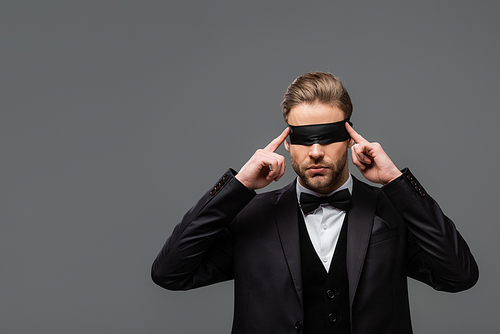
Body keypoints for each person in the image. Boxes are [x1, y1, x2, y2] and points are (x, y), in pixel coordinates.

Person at [151, 72, 478, 334]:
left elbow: (460, 275)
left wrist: (396, 182)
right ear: (288, 145)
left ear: (351, 139)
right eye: (304, 138)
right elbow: (170, 273)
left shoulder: (390, 210)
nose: (316, 150)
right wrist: (237, 188)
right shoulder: (250, 216)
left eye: (329, 136)